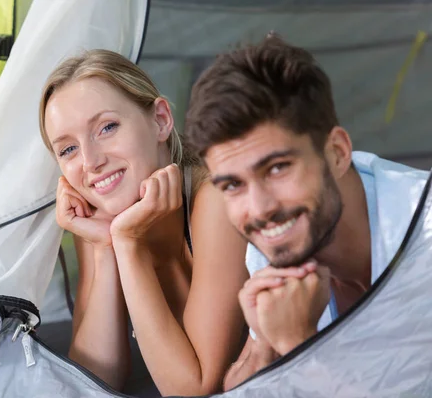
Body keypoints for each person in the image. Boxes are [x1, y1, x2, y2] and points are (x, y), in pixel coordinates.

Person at [184, 35, 430, 390]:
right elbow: (239, 387)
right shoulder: (273, 242)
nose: (260, 209)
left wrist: (299, 347)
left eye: (277, 168)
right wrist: (266, 345)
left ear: (337, 153)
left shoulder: (423, 235)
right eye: (233, 185)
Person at [38, 49, 252, 395]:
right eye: (68, 150)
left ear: (161, 120)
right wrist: (109, 245)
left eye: (107, 127)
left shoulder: (215, 199)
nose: (91, 162)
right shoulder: (98, 217)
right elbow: (93, 382)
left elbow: (193, 388)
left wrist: (128, 244)